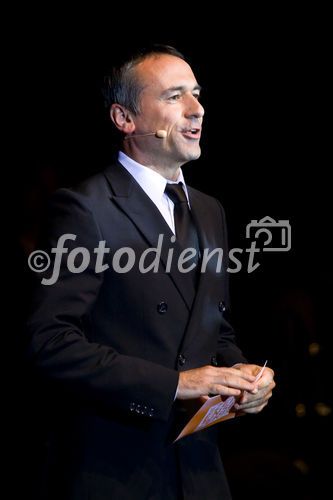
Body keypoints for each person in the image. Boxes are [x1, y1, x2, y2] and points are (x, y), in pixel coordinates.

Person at [26, 44, 275, 500]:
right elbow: (50, 344)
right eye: (174, 95)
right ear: (125, 118)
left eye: (197, 94)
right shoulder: (84, 208)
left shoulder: (209, 209)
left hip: (199, 473)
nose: (197, 109)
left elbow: (212, 328)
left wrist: (241, 380)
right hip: (114, 474)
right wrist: (174, 385)